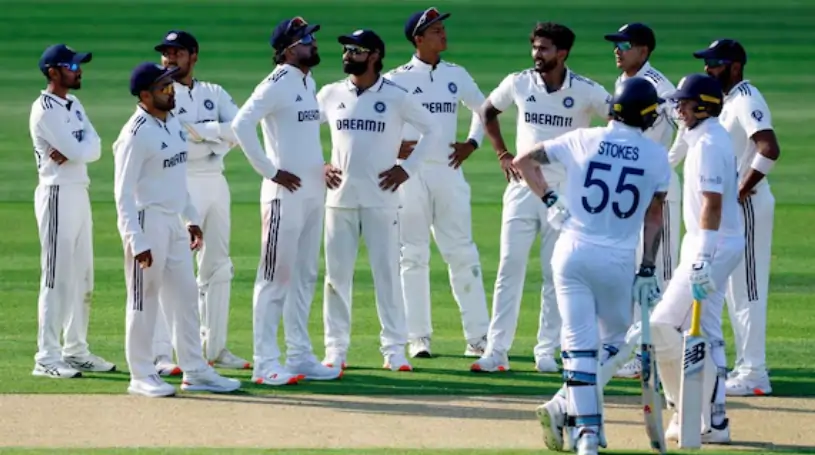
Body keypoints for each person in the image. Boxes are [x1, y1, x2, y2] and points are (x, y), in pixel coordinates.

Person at [514, 77, 671, 455]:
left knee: (578, 347)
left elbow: (523, 161)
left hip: (570, 251)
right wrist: (648, 267)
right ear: (647, 117)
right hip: (616, 259)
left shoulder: (584, 138)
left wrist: (551, 199)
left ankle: (586, 433)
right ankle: (572, 414)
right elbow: (654, 216)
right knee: (614, 346)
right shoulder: (656, 156)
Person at [472, 22, 612, 374]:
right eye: (535, 47)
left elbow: (617, 122)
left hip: (564, 194)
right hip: (521, 188)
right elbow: (487, 111)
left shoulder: (585, 90)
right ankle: (496, 351)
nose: (537, 54)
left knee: (555, 272)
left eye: (545, 49)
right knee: (509, 268)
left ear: (562, 53)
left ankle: (546, 351)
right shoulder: (519, 82)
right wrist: (503, 153)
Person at [113, 62, 241, 397]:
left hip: (173, 223)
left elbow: (176, 180)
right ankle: (140, 374)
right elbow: (122, 193)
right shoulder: (135, 133)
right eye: (163, 88)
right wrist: (135, 239)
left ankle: (196, 370)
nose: (171, 92)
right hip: (146, 222)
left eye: (170, 86)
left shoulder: (171, 124)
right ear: (144, 95)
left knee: (185, 298)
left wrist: (191, 218)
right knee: (144, 301)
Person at [317, 29, 441, 372]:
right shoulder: (330, 93)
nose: (346, 54)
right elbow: (300, 130)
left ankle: (394, 351)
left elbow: (431, 130)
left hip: (382, 198)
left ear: (374, 55)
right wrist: (320, 165)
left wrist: (407, 169)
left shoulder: (397, 95)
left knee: (386, 275)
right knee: (336, 278)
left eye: (355, 50)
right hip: (338, 199)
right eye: (345, 48)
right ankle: (335, 351)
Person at [231, 17, 342, 385]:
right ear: (290, 48)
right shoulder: (277, 83)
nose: (313, 44)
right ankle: (265, 363)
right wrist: (269, 169)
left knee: (305, 277)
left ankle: (299, 355)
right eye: (307, 39)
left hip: (312, 195)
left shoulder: (307, 81)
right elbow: (242, 124)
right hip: (284, 197)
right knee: (274, 280)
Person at [383, 7, 490, 359]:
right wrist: (390, 146)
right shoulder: (396, 78)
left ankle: (478, 337)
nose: (443, 35)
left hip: (448, 170)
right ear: (418, 39)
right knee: (411, 255)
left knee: (461, 251)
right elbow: (378, 116)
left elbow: (485, 110)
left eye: (443, 29)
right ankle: (418, 338)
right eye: (435, 31)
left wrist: (472, 144)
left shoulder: (455, 74)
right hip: (409, 174)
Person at [149, 29, 250, 376]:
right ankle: (162, 354)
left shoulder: (213, 92)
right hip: (180, 181)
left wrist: (202, 133)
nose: (169, 59)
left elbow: (240, 129)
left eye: (176, 53)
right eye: (165, 53)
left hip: (215, 180)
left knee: (219, 267)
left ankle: (214, 348)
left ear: (193, 55)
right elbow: (177, 134)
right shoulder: (161, 93)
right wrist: (215, 134)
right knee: (171, 268)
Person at [649, 73, 743, 444]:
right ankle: (715, 420)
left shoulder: (707, 144)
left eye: (684, 104)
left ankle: (682, 408)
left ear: (703, 106)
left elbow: (712, 204)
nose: (678, 109)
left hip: (712, 246)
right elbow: (673, 153)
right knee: (705, 331)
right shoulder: (704, 135)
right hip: (716, 244)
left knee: (660, 326)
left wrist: (702, 257)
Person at [693, 39, 780, 397]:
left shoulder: (745, 98)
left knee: (748, 289)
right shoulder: (727, 102)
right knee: (733, 290)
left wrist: (742, 189)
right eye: (706, 62)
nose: (707, 69)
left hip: (749, 205)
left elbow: (769, 149)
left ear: (735, 67)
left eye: (714, 62)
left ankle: (755, 373)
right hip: (735, 207)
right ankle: (747, 365)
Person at [29, 44, 116, 378]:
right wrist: (78, 148)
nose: (78, 71)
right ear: (53, 72)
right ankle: (46, 358)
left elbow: (93, 146)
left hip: (80, 191)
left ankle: (75, 349)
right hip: (56, 195)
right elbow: (79, 146)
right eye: (72, 66)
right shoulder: (44, 110)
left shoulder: (74, 103)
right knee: (55, 278)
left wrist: (77, 150)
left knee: (82, 275)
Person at [603, 23, 681, 379]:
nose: (617, 50)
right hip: (634, 188)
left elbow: (689, 130)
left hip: (658, 190)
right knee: (634, 268)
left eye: (625, 44)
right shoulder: (625, 83)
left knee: (658, 272)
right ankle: (640, 350)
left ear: (645, 50)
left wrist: (664, 163)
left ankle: (654, 355)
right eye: (617, 44)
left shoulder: (662, 89)